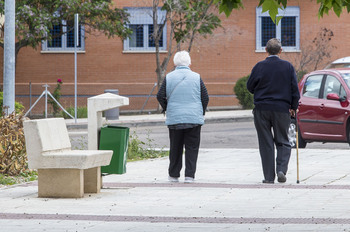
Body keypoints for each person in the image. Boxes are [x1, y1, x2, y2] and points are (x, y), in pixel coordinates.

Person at [246, 38, 300, 184]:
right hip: (282, 109)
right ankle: (281, 169)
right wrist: (294, 107)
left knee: (265, 142)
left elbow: (250, 87)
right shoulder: (288, 67)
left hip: (262, 109)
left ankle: (269, 177)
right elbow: (295, 90)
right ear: (281, 51)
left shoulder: (259, 66)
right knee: (283, 140)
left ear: (266, 50)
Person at [157, 50, 209, 183]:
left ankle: (173, 175)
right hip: (193, 118)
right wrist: (200, 111)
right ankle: (189, 176)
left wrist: (168, 108)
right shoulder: (197, 77)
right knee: (192, 147)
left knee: (176, 147)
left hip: (175, 118)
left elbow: (160, 95)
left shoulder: (169, 77)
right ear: (189, 63)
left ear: (175, 63)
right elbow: (205, 97)